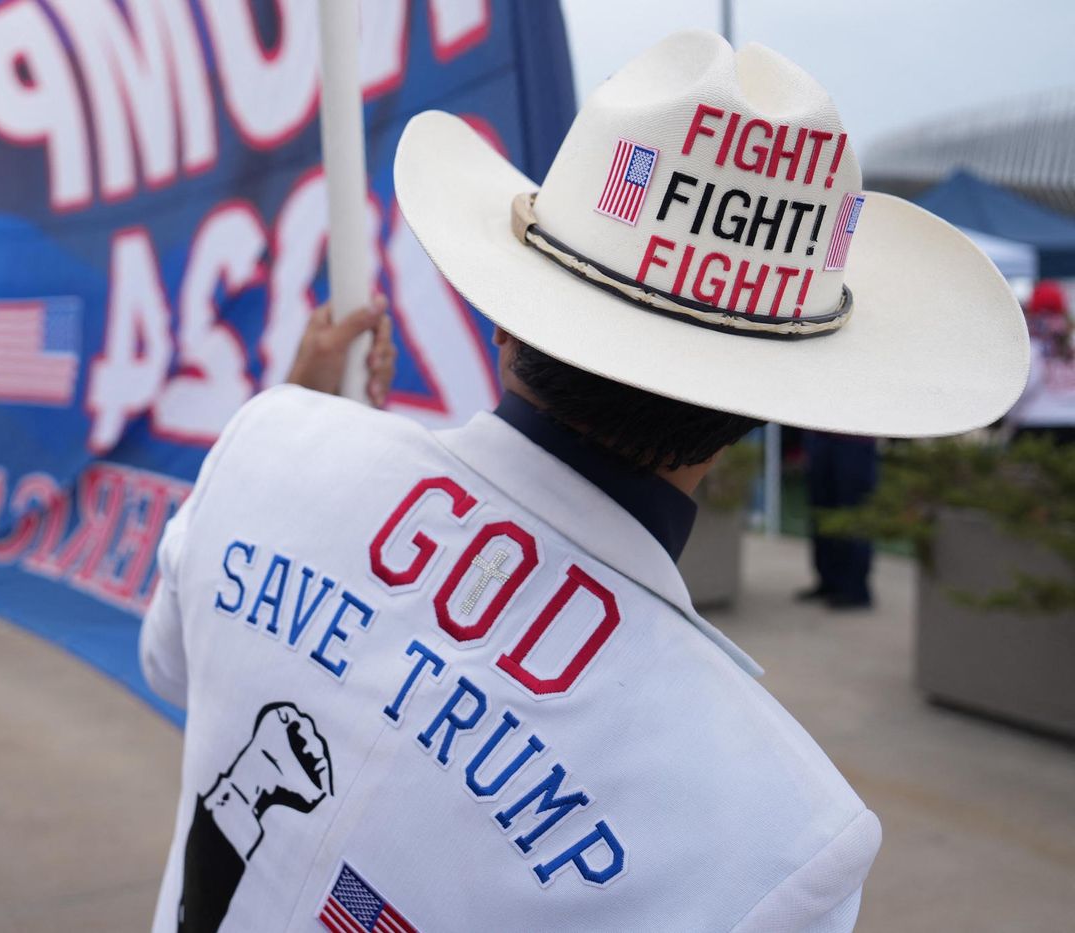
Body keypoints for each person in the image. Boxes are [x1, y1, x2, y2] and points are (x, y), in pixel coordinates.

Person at [140, 33, 1030, 932]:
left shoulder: (267, 445)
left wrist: (304, 416)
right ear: (755, 411)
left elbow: (175, 664)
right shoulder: (781, 840)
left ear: (505, 317)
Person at [797, 432, 879, 609]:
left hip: (855, 438)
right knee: (821, 509)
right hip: (820, 434)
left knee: (853, 512)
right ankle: (829, 581)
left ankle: (855, 589)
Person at [1008, 280, 1075, 445]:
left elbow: (1022, 387)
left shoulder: (1032, 346)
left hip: (1034, 422)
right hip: (1067, 422)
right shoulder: (1069, 342)